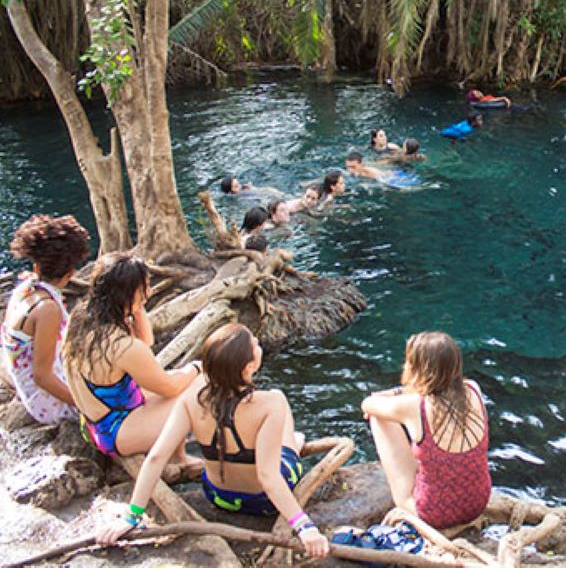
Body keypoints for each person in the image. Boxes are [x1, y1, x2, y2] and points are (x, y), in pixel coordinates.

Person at [94, 324, 329, 558]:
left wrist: (131, 516)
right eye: (255, 344)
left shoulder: (190, 401)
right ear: (250, 367)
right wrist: (304, 526)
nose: (258, 343)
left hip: (218, 496)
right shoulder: (270, 404)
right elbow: (268, 477)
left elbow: (156, 457)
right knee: (282, 410)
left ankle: (288, 444)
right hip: (264, 502)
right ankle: (293, 446)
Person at [63, 253, 201, 459]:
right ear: (126, 293)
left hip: (94, 423)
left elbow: (145, 342)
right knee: (206, 384)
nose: (150, 291)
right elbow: (170, 387)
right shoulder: (121, 345)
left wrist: (136, 307)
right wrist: (197, 367)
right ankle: (185, 460)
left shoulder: (81, 318)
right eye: (144, 288)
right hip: (116, 433)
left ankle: (179, 457)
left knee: (180, 380)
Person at [362, 331, 490, 529]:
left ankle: (407, 495)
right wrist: (400, 392)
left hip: (436, 515)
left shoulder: (416, 406)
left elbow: (368, 404)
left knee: (378, 417)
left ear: (417, 368)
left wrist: (395, 393)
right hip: (477, 505)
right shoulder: (474, 389)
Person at [2, 215, 90, 425]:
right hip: (48, 402)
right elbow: (42, 376)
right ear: (70, 273)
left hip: (35, 386)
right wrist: (86, 406)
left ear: (37, 268)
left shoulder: (25, 289)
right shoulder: (47, 310)